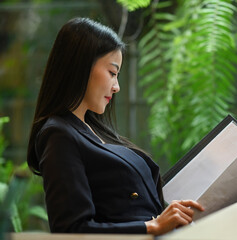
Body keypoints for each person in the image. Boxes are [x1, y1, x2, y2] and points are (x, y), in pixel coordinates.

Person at [27, 17, 204, 235]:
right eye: (112, 73)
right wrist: (152, 226)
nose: (117, 87)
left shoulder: (94, 130)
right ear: (80, 67)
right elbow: (71, 229)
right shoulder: (59, 135)